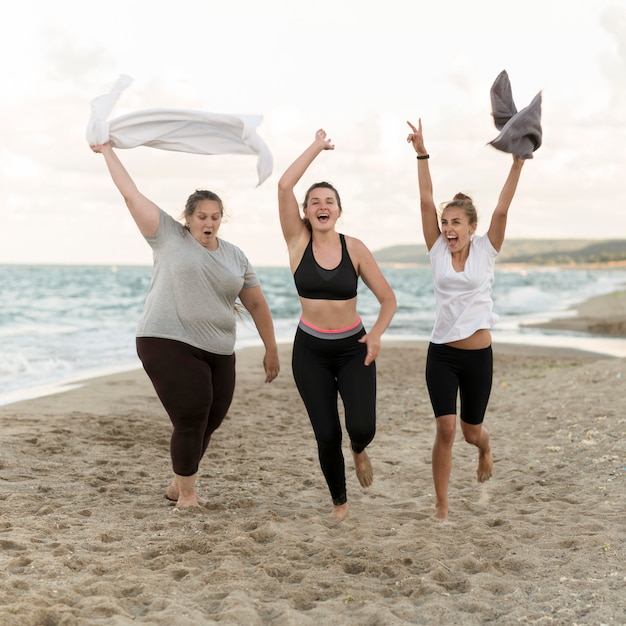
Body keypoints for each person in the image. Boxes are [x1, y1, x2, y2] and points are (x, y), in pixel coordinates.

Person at [90, 142, 280, 508]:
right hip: (165, 339)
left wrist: (271, 348)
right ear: (188, 217)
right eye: (202, 216)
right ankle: (188, 498)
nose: (208, 222)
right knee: (193, 412)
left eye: (215, 216)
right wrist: (107, 152)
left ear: (221, 219)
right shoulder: (167, 236)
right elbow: (131, 195)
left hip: (220, 348)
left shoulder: (235, 255)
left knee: (212, 417)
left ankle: (179, 483)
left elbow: (256, 302)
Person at [406, 118, 525, 522]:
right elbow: (425, 201)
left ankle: (486, 449)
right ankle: (441, 507)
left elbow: (503, 206)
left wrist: (518, 162)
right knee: (446, 430)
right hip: (441, 354)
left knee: (472, 433)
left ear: (472, 228)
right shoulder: (437, 249)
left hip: (478, 356)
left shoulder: (487, 250)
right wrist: (422, 153)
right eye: (446, 222)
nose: (448, 228)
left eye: (456, 223)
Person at [277, 129, 397, 521]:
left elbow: (388, 299)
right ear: (306, 211)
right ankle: (340, 504)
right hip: (310, 351)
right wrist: (317, 146)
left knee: (362, 427)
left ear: (339, 211)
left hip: (353, 348)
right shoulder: (297, 242)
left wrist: (375, 335)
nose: (321, 206)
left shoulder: (356, 248)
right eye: (314, 202)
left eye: (329, 201)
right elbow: (283, 184)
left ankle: (359, 450)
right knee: (327, 433)